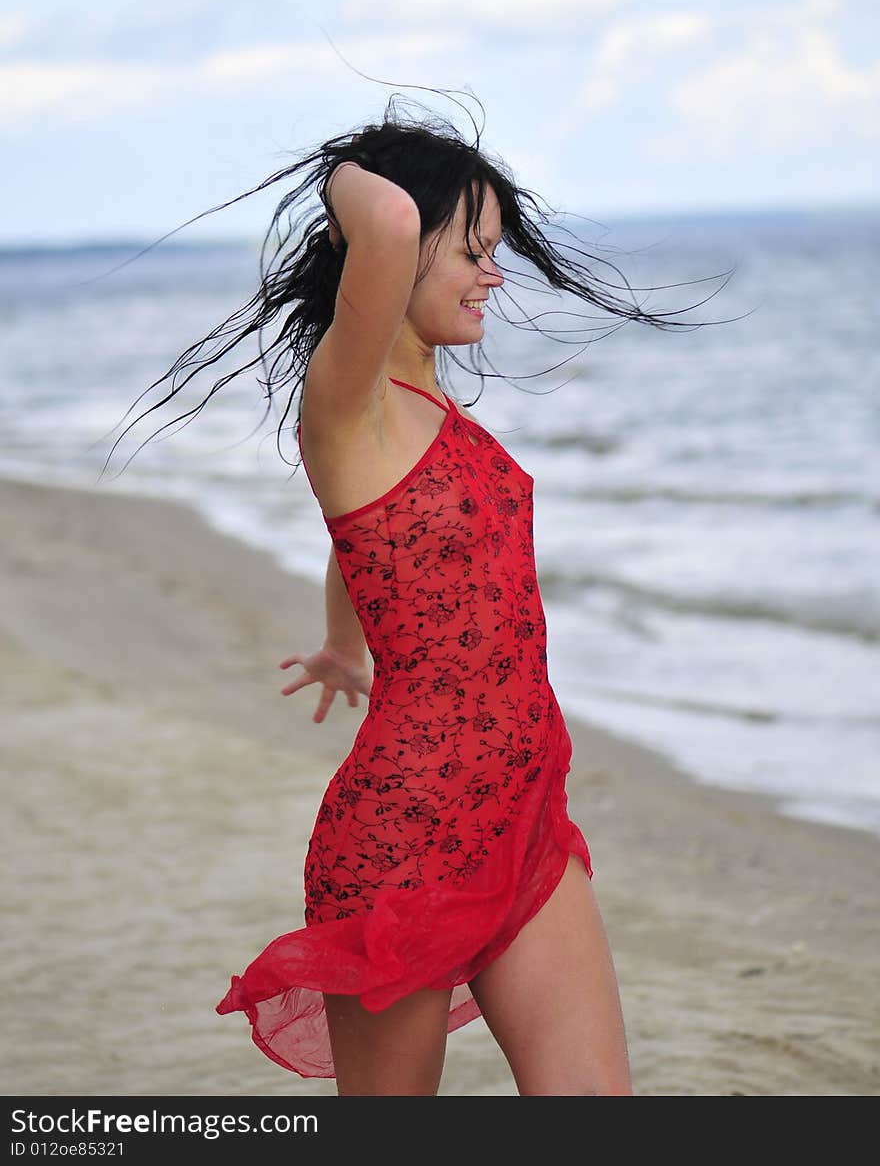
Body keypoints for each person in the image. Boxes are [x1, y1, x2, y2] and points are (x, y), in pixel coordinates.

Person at [105, 103, 729, 1095]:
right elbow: (387, 221)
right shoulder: (345, 397)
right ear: (396, 249)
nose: (495, 273)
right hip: (406, 837)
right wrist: (346, 166)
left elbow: (373, 542)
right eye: (473, 249)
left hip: (526, 814)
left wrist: (339, 639)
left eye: (496, 252)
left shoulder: (431, 411)